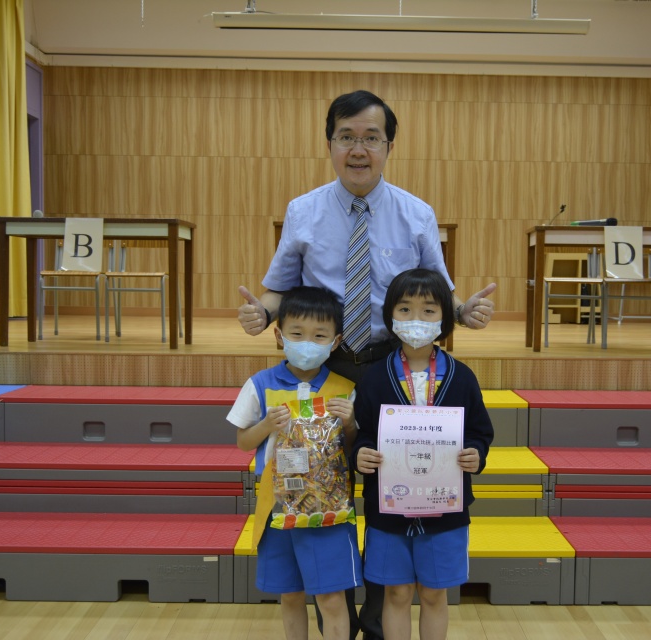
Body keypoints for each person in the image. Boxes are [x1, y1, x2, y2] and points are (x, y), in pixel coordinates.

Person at [236, 89, 497, 640]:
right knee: (322, 485)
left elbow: (437, 290)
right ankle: (335, 615)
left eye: (371, 138)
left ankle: (379, 624)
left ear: (389, 146)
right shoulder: (303, 211)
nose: (359, 149)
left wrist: (462, 311)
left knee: (389, 493)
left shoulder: (416, 213)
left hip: (391, 370)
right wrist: (263, 312)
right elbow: (279, 288)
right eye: (347, 137)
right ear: (330, 143)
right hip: (324, 367)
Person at [352, 268, 493, 640]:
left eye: (428, 310)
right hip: (387, 508)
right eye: (405, 309)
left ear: (445, 317)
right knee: (396, 593)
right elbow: (362, 433)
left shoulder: (462, 377)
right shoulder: (373, 378)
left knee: (433, 594)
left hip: (445, 510)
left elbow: (480, 432)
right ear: (390, 315)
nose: (416, 318)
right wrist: (361, 453)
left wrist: (476, 454)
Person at [226, 286, 363, 640]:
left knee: (332, 598)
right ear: (279, 335)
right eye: (297, 334)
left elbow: (351, 451)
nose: (307, 343)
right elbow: (243, 442)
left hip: (329, 510)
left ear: (335, 342)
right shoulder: (260, 384)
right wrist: (265, 426)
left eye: (319, 336)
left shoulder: (345, 388)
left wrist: (350, 422)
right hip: (277, 509)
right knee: (290, 595)